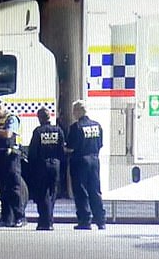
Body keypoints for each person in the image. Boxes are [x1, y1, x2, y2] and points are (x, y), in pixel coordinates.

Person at [66, 99, 106, 230]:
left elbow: (70, 147)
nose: (73, 114)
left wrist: (64, 150)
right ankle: (101, 220)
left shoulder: (75, 127)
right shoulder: (97, 125)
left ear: (78, 111)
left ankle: (85, 220)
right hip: (94, 160)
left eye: (74, 111)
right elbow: (100, 144)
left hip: (80, 161)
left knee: (81, 191)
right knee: (95, 190)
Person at [0, 98, 26, 227]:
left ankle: (20, 217)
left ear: (0, 108)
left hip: (11, 157)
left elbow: (8, 134)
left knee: (14, 188)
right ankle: (6, 218)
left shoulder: (11, 118)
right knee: (2, 189)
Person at [28, 107, 65, 230]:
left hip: (41, 165)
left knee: (42, 193)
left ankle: (45, 221)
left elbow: (33, 151)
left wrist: (31, 166)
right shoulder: (58, 131)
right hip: (55, 165)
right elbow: (62, 150)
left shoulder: (38, 131)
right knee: (53, 193)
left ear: (40, 118)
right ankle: (50, 220)